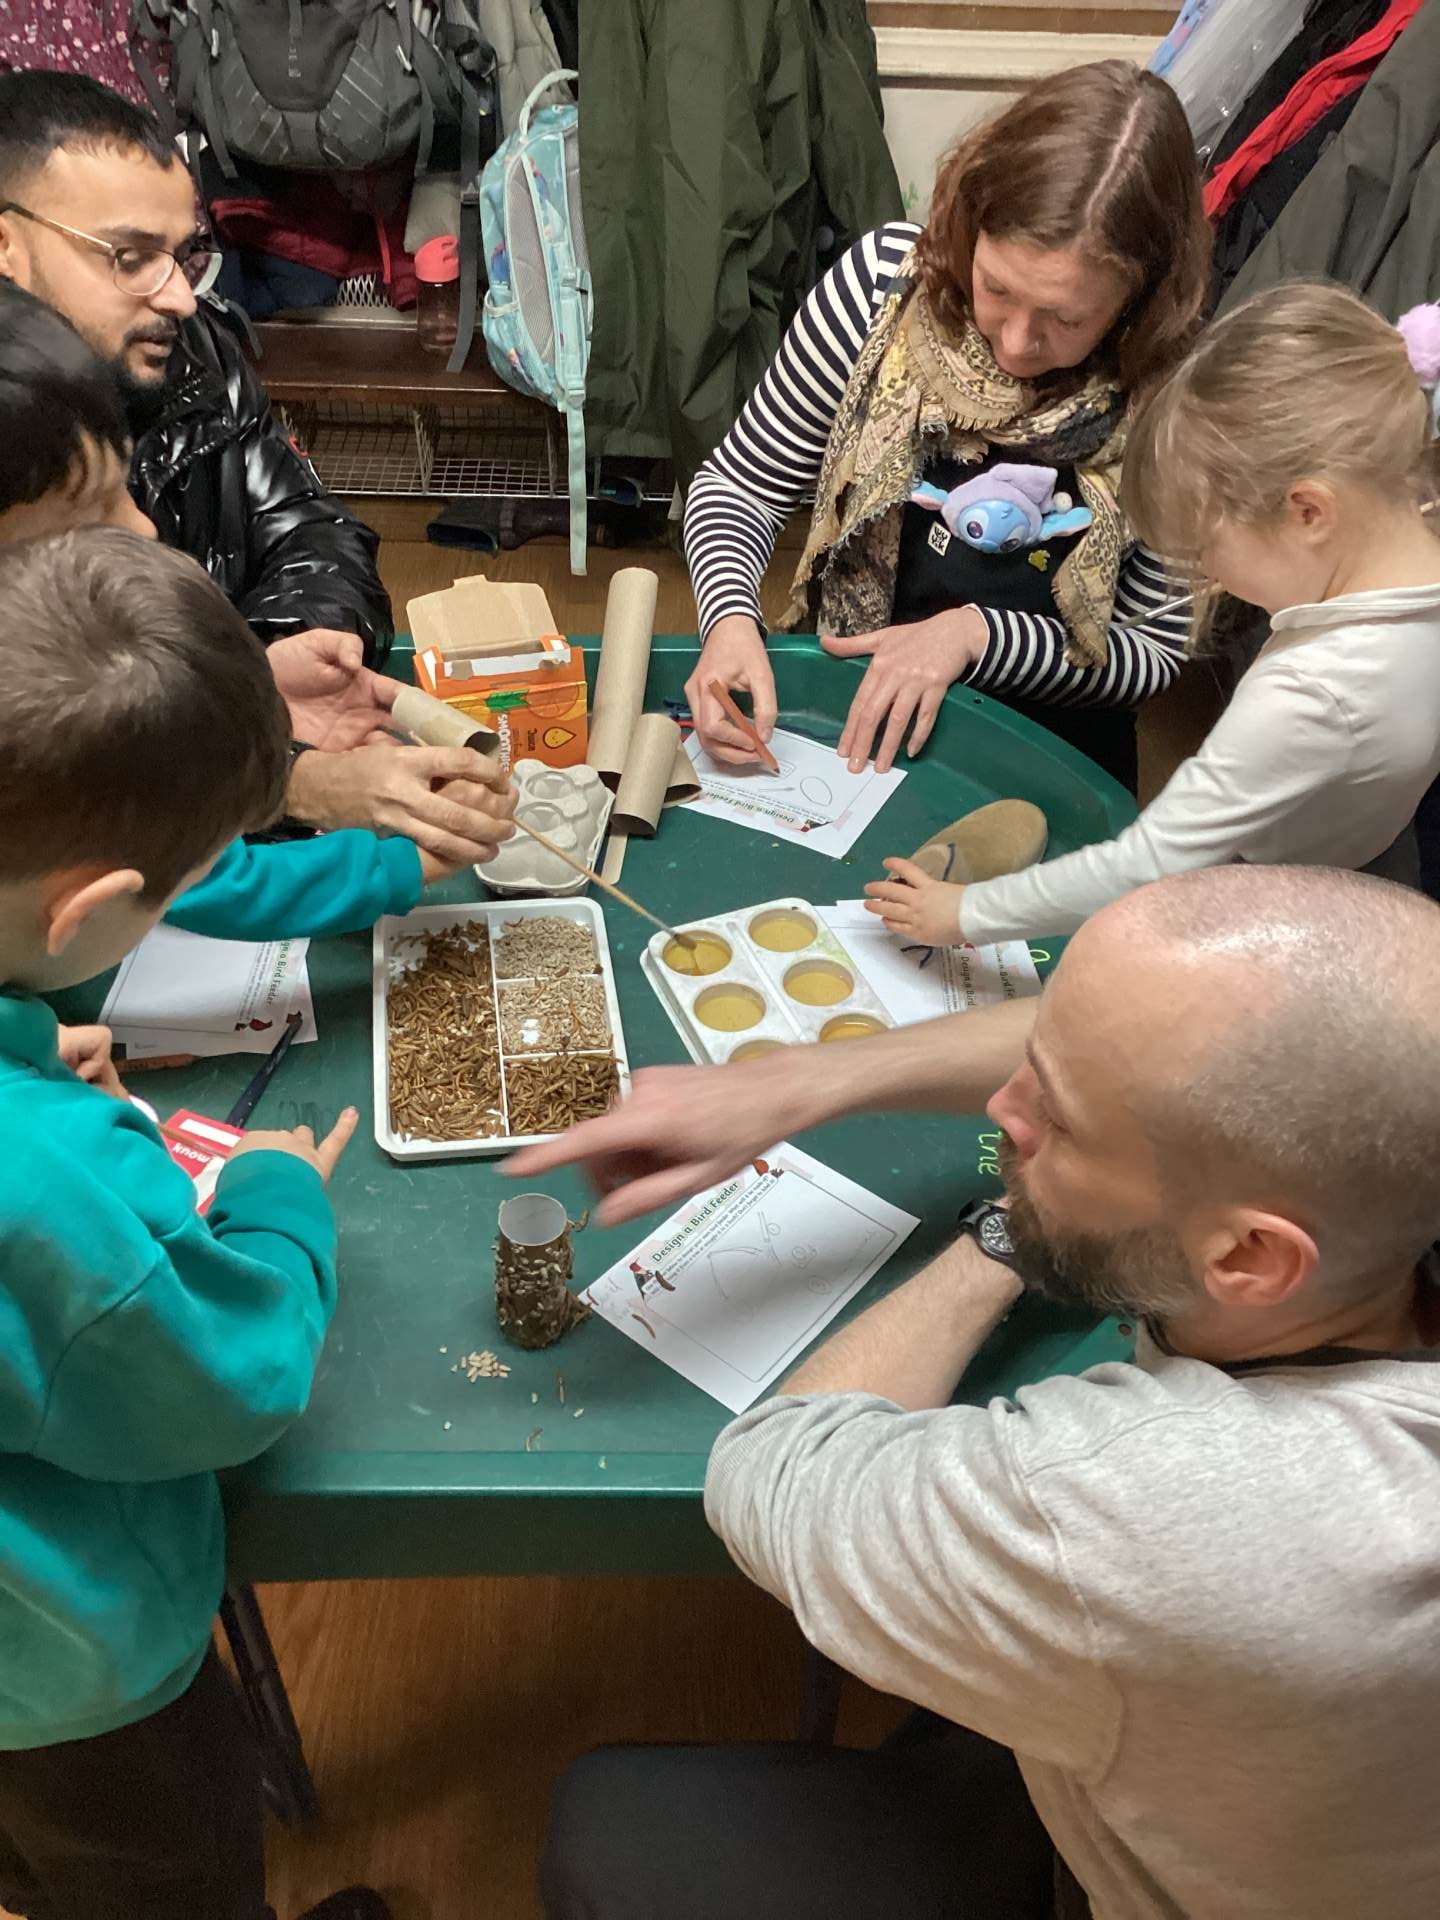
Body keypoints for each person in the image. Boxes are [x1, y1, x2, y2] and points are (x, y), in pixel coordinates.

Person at [536, 863, 1440, 1919]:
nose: (1005, 1109)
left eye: (1058, 1123)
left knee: (614, 1823)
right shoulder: (1385, 1173)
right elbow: (1128, 1048)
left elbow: (780, 1470)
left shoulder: (1160, 1514)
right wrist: (795, 1081)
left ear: (1247, 1257)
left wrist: (1010, 1233)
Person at [0, 530, 435, 1918]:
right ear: (89, 910)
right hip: (68, 1685)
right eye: (181, 890)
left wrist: (26, 1051)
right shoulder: (51, 1182)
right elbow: (228, 1380)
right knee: (158, 1881)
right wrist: (277, 1195)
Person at [0, 72, 499, 866]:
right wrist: (280, 771)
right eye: (132, 257)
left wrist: (268, 668)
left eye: (183, 256)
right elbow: (51, 789)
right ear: (7, 248)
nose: (180, 297)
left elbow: (315, 531)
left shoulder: (194, 355)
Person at [683, 60, 1209, 791]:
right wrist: (730, 621)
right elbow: (738, 487)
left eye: (1064, 320)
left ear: (1138, 300)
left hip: (1049, 755)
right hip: (850, 722)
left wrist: (977, 636)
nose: (1016, 343)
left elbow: (1152, 650)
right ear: (970, 226)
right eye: (996, 288)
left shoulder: (1175, 389)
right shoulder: (881, 289)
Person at [867, 283, 1440, 949]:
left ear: (1309, 512)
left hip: (1279, 910)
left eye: (1203, 547)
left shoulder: (1310, 694)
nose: (1203, 575)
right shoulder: (1415, 528)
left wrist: (964, 913)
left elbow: (1147, 863)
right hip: (1374, 850)